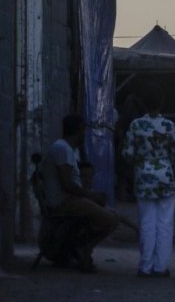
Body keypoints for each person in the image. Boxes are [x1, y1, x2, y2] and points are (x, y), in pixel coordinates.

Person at [41, 113, 119, 272]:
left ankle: (74, 249)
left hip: (69, 200)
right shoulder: (62, 148)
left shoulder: (66, 149)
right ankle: (83, 249)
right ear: (79, 130)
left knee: (109, 215)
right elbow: (67, 184)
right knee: (110, 220)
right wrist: (91, 196)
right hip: (64, 202)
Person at [123, 83, 175, 278]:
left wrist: (141, 162)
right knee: (165, 223)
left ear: (142, 102)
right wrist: (166, 163)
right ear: (162, 103)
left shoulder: (135, 125)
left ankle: (145, 266)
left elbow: (127, 154)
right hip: (165, 177)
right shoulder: (169, 126)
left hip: (143, 179)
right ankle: (161, 267)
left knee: (146, 223)